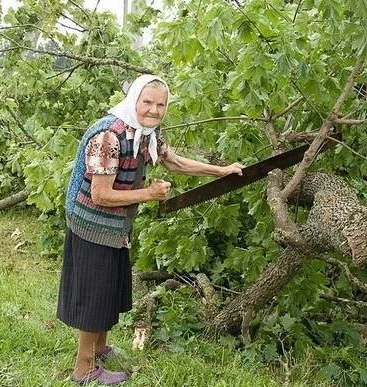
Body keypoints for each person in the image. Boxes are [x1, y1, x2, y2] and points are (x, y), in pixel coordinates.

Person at [57, 74, 243, 385]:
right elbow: (100, 195)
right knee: (94, 294)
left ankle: (100, 349)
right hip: (91, 223)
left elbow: (174, 162)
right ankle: (84, 369)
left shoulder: (146, 134)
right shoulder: (109, 137)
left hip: (116, 224)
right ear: (134, 101)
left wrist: (220, 171)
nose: (154, 110)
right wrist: (149, 194)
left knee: (109, 289)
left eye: (161, 104)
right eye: (147, 102)